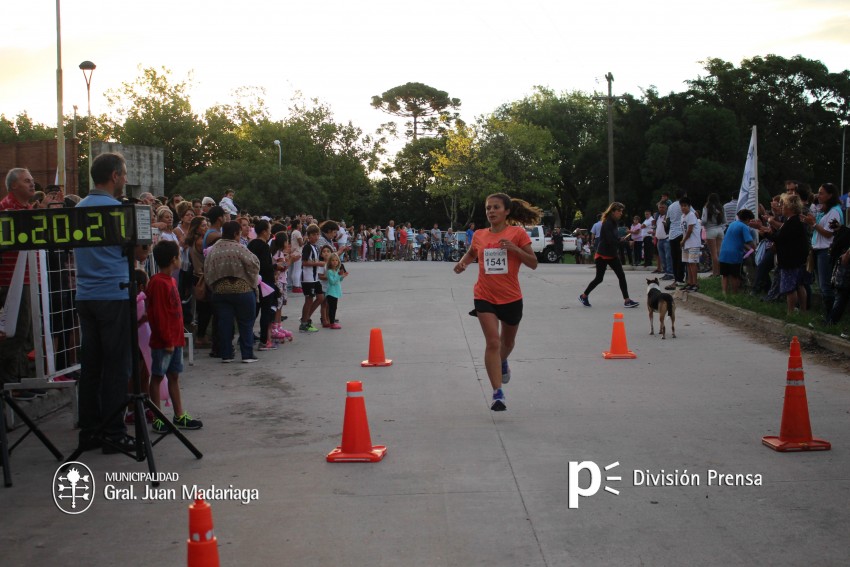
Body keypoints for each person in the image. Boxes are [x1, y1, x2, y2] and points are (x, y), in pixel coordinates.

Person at [454, 193, 540, 411]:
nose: (491, 211)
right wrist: (462, 264)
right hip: (484, 295)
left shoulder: (517, 233)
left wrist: (515, 249)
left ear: (507, 211)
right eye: (488, 208)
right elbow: (472, 253)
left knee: (507, 344)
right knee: (493, 342)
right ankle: (497, 393)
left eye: (496, 207)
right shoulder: (480, 235)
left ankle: (502, 362)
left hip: (511, 297)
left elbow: (533, 263)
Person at [75, 152, 136, 454]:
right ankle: (113, 432)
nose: (125, 180)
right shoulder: (119, 211)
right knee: (116, 366)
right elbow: (137, 253)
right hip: (113, 293)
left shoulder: (77, 209)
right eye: (123, 175)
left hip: (85, 295)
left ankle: (89, 432)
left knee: (91, 367)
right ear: (114, 176)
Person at [146, 240, 202, 431]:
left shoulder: (170, 280)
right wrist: (168, 340)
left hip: (174, 339)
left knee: (174, 376)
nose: (181, 260)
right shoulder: (158, 283)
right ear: (173, 260)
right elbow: (159, 315)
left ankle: (179, 415)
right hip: (165, 341)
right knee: (157, 377)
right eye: (179, 256)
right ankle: (158, 417)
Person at [0, 168, 37, 400]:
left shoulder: (27, 210)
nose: (32, 184)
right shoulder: (4, 210)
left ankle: (20, 380)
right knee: (16, 333)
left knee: (28, 335)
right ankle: (8, 384)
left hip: (28, 279)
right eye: (27, 181)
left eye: (32, 180)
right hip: (10, 282)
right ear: (13, 186)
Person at [204, 221, 260, 363]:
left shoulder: (214, 250)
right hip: (242, 290)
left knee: (224, 323)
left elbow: (207, 270)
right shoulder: (240, 248)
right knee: (246, 322)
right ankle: (247, 354)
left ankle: (226, 354)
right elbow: (254, 265)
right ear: (236, 233)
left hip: (220, 291)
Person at [578, 202, 640, 309]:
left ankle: (627, 300)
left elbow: (613, 239)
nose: (621, 213)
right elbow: (610, 241)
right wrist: (626, 243)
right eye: (619, 211)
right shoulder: (607, 223)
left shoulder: (613, 222)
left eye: (621, 211)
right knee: (599, 278)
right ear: (612, 212)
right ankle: (584, 296)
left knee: (621, 276)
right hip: (603, 255)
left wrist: (621, 239)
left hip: (611, 254)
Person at [804, 183, 844, 317]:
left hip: (826, 251)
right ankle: (827, 315)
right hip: (818, 250)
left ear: (830, 195)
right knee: (822, 285)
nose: (818, 195)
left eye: (821, 193)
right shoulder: (825, 210)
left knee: (826, 285)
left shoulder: (834, 212)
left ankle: (830, 317)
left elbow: (828, 233)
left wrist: (813, 224)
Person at [772, 194, 810, 314]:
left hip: (790, 260)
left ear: (789, 207)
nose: (781, 207)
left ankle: (791, 312)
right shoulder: (797, 220)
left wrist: (766, 233)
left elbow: (780, 238)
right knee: (799, 285)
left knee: (790, 288)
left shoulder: (792, 222)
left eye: (783, 204)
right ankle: (803, 311)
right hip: (799, 259)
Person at [248, 220, 278, 351]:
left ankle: (246, 337)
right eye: (269, 230)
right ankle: (264, 341)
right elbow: (265, 266)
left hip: (253, 282)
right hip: (265, 283)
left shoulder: (251, 244)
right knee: (266, 312)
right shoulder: (264, 246)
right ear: (264, 231)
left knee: (254, 312)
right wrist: (276, 266)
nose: (270, 233)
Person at [718, 209, 756, 295]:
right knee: (735, 276)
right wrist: (755, 248)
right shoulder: (744, 227)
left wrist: (747, 248)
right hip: (734, 255)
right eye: (749, 220)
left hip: (723, 253)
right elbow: (749, 241)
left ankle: (724, 293)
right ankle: (735, 294)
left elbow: (736, 240)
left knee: (725, 275)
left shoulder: (732, 224)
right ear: (747, 219)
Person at [299, 224, 325, 332]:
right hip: (308, 278)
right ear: (308, 236)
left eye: (317, 234)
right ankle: (304, 323)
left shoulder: (315, 247)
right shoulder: (307, 247)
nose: (316, 237)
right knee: (309, 300)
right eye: (314, 235)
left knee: (320, 297)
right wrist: (318, 264)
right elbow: (304, 262)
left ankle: (306, 317)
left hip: (315, 278)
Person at [665, 190, 686, 289]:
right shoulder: (685, 205)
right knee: (682, 257)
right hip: (682, 233)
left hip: (672, 234)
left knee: (674, 258)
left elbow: (668, 221)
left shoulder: (671, 206)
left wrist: (667, 231)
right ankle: (681, 279)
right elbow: (695, 215)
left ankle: (676, 278)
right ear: (684, 196)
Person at [679, 198, 701, 291]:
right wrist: (683, 241)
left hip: (693, 243)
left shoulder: (691, 215)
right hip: (686, 243)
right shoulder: (682, 216)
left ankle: (695, 283)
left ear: (689, 206)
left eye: (685, 206)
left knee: (693, 263)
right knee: (687, 263)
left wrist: (683, 241)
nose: (683, 207)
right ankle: (689, 282)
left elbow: (690, 230)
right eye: (682, 206)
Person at [702, 193, 725, 277]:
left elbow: (704, 221)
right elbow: (724, 221)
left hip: (710, 230)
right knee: (719, 252)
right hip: (720, 230)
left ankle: (715, 272)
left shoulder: (706, 207)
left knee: (713, 254)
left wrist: (701, 223)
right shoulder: (721, 208)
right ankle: (720, 271)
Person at [321, 252, 346, 329]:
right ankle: (332, 323)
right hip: (331, 292)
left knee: (334, 307)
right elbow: (332, 282)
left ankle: (332, 321)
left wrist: (342, 276)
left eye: (336, 260)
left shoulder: (336, 270)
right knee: (332, 308)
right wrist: (339, 275)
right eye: (333, 260)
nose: (335, 262)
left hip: (336, 292)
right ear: (330, 262)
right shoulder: (329, 271)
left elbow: (339, 280)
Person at [289, 218, 304, 293]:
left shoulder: (293, 232)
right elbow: (301, 243)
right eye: (300, 223)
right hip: (298, 252)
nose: (301, 225)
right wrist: (305, 239)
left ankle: (294, 285)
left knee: (294, 270)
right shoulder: (297, 232)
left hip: (293, 252)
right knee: (297, 270)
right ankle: (296, 286)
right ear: (298, 224)